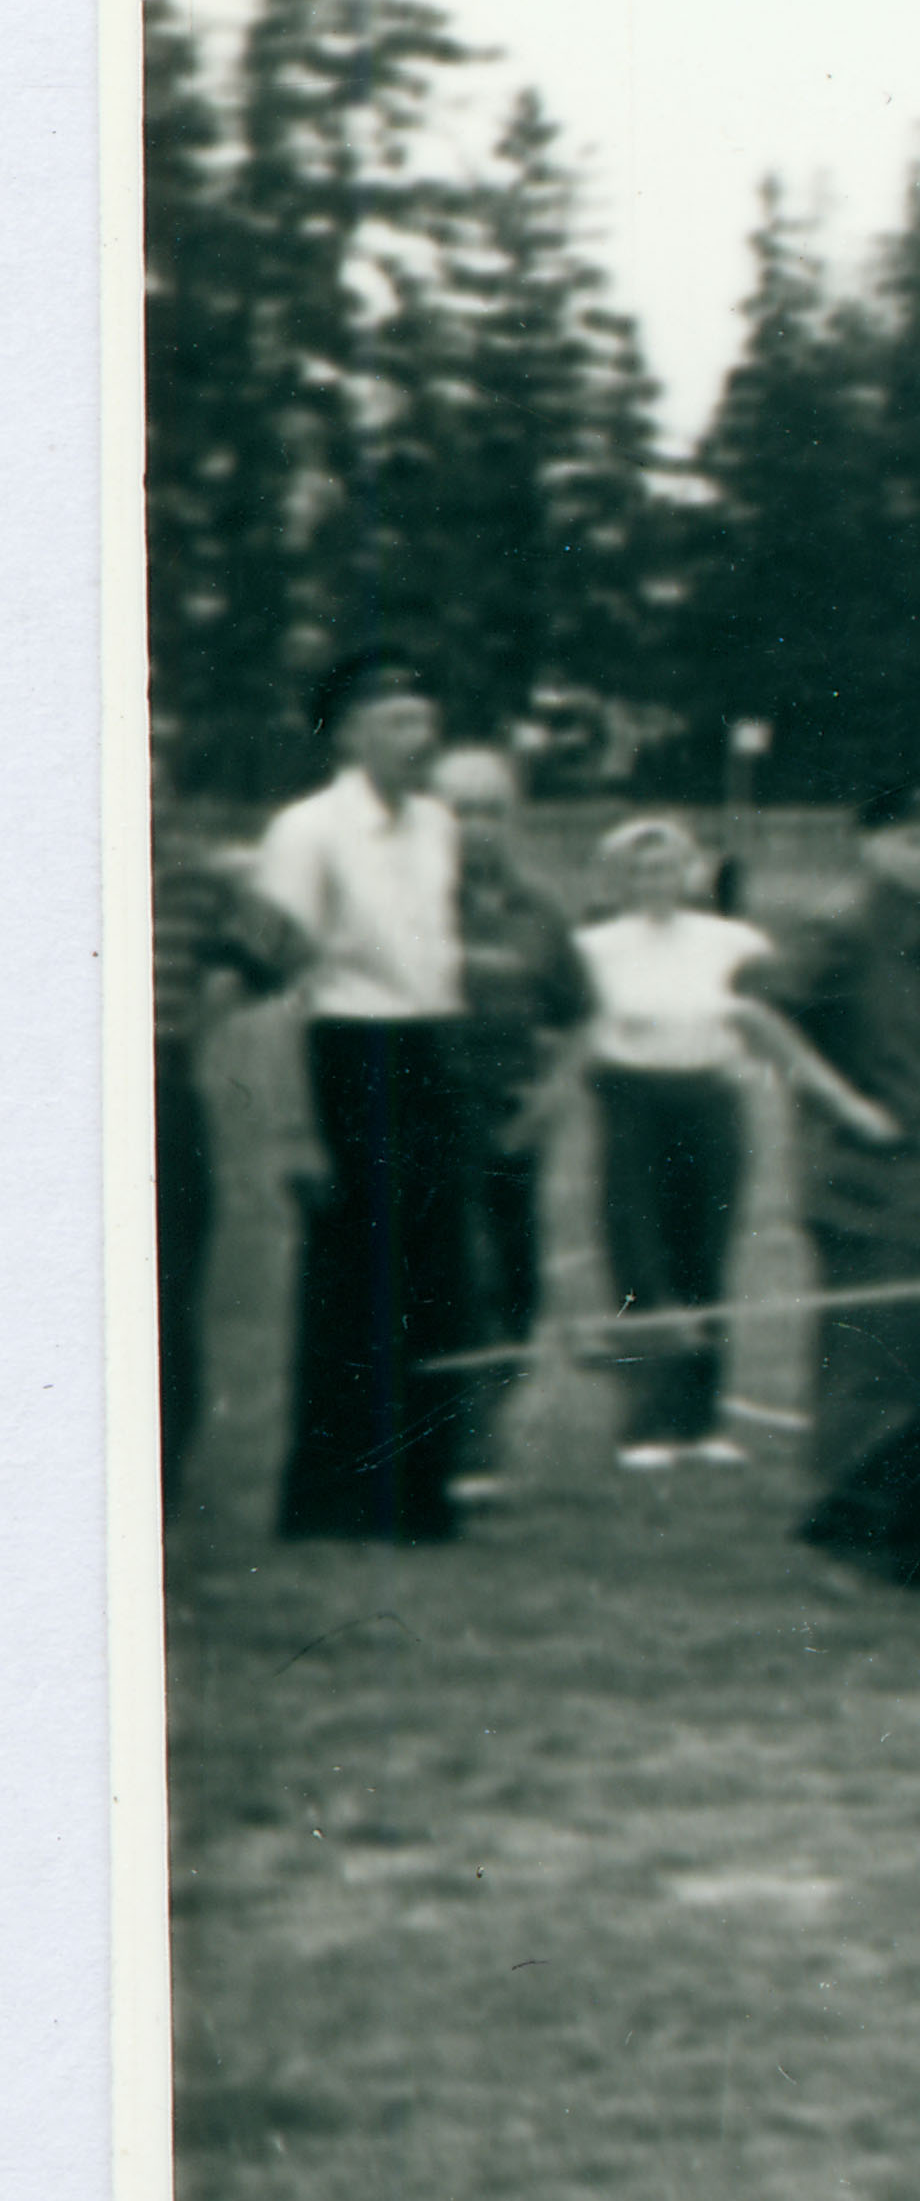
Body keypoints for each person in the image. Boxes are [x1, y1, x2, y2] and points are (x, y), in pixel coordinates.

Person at [575, 818, 896, 1468]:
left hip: (711, 1102)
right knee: (641, 1255)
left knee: (707, 1252)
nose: (655, 882)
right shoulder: (594, 946)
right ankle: (646, 1425)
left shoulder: (733, 941)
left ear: (691, 872)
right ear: (619, 880)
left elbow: (773, 1027)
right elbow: (576, 1035)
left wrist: (838, 1100)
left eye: (667, 868)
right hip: (632, 1103)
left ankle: (700, 1421)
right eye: (639, 871)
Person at [247, 653, 479, 1543]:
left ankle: (420, 1494)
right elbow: (275, 987)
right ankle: (332, 1498)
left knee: (434, 1282)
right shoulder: (305, 832)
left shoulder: (439, 827)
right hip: (349, 1059)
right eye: (397, 723)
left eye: (425, 722)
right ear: (347, 732)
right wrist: (294, 1130)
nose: (419, 739)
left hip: (427, 1053)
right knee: (351, 1283)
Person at [737, 784, 920, 1587]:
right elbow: (753, 1012)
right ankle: (846, 1539)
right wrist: (840, 1101)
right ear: (872, 843)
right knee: (876, 1366)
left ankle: (916, 1541)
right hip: (868, 1187)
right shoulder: (840, 925)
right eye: (918, 840)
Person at [428, 747, 594, 1497]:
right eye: (461, 810)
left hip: (516, 1116)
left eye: (492, 810)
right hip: (429, 1113)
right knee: (461, 1273)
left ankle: (489, 1420)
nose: (477, 827)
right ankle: (460, 1444)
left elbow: (581, 1014)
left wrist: (553, 1096)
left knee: (519, 1275)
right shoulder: (409, 900)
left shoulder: (539, 908)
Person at [149, 802, 303, 1519]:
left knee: (164, 1282)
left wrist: (229, 986)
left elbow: (284, 941)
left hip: (160, 1084)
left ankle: (160, 1469)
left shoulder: (193, 882)